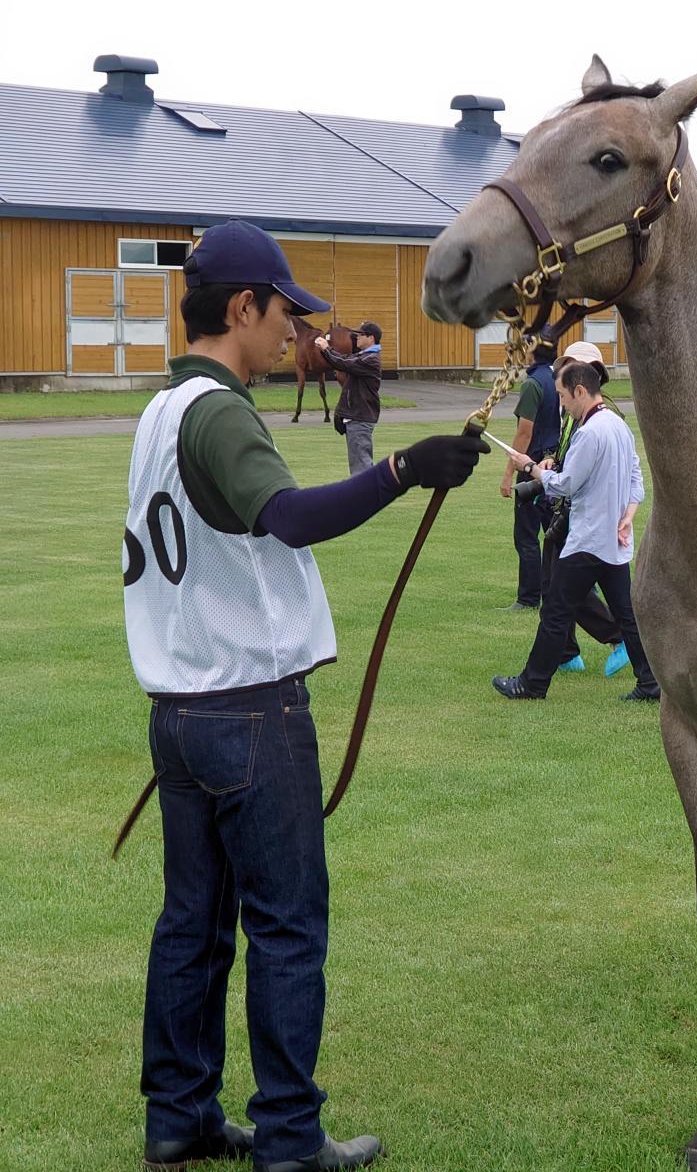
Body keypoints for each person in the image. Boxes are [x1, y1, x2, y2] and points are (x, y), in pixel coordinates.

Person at [123, 219, 487, 1172]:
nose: (297, 331)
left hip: (181, 710)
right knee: (285, 926)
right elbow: (286, 518)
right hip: (248, 709)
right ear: (243, 308)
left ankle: (178, 1115)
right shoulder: (219, 410)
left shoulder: (161, 412)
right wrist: (403, 469)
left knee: (191, 923)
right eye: (287, 311)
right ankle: (288, 1135)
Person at [492, 348, 658, 702]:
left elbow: (565, 485)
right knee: (626, 616)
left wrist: (530, 467)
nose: (563, 404)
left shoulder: (590, 433)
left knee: (555, 609)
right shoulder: (618, 425)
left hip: (587, 539)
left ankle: (532, 684)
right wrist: (629, 515)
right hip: (613, 540)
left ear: (580, 391)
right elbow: (635, 478)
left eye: (564, 397)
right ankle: (650, 683)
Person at [498, 354, 560, 612]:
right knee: (556, 532)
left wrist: (509, 473)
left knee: (526, 536)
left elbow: (525, 431)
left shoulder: (533, 384)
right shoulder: (559, 377)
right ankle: (574, 590)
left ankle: (528, 598)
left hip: (532, 467)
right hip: (555, 464)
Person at [317, 321, 383, 473]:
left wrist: (326, 349)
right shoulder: (364, 356)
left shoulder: (371, 359)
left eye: (360, 334)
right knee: (360, 466)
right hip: (357, 418)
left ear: (371, 338)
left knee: (361, 468)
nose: (356, 337)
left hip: (360, 418)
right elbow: (345, 360)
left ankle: (367, 496)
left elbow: (344, 363)